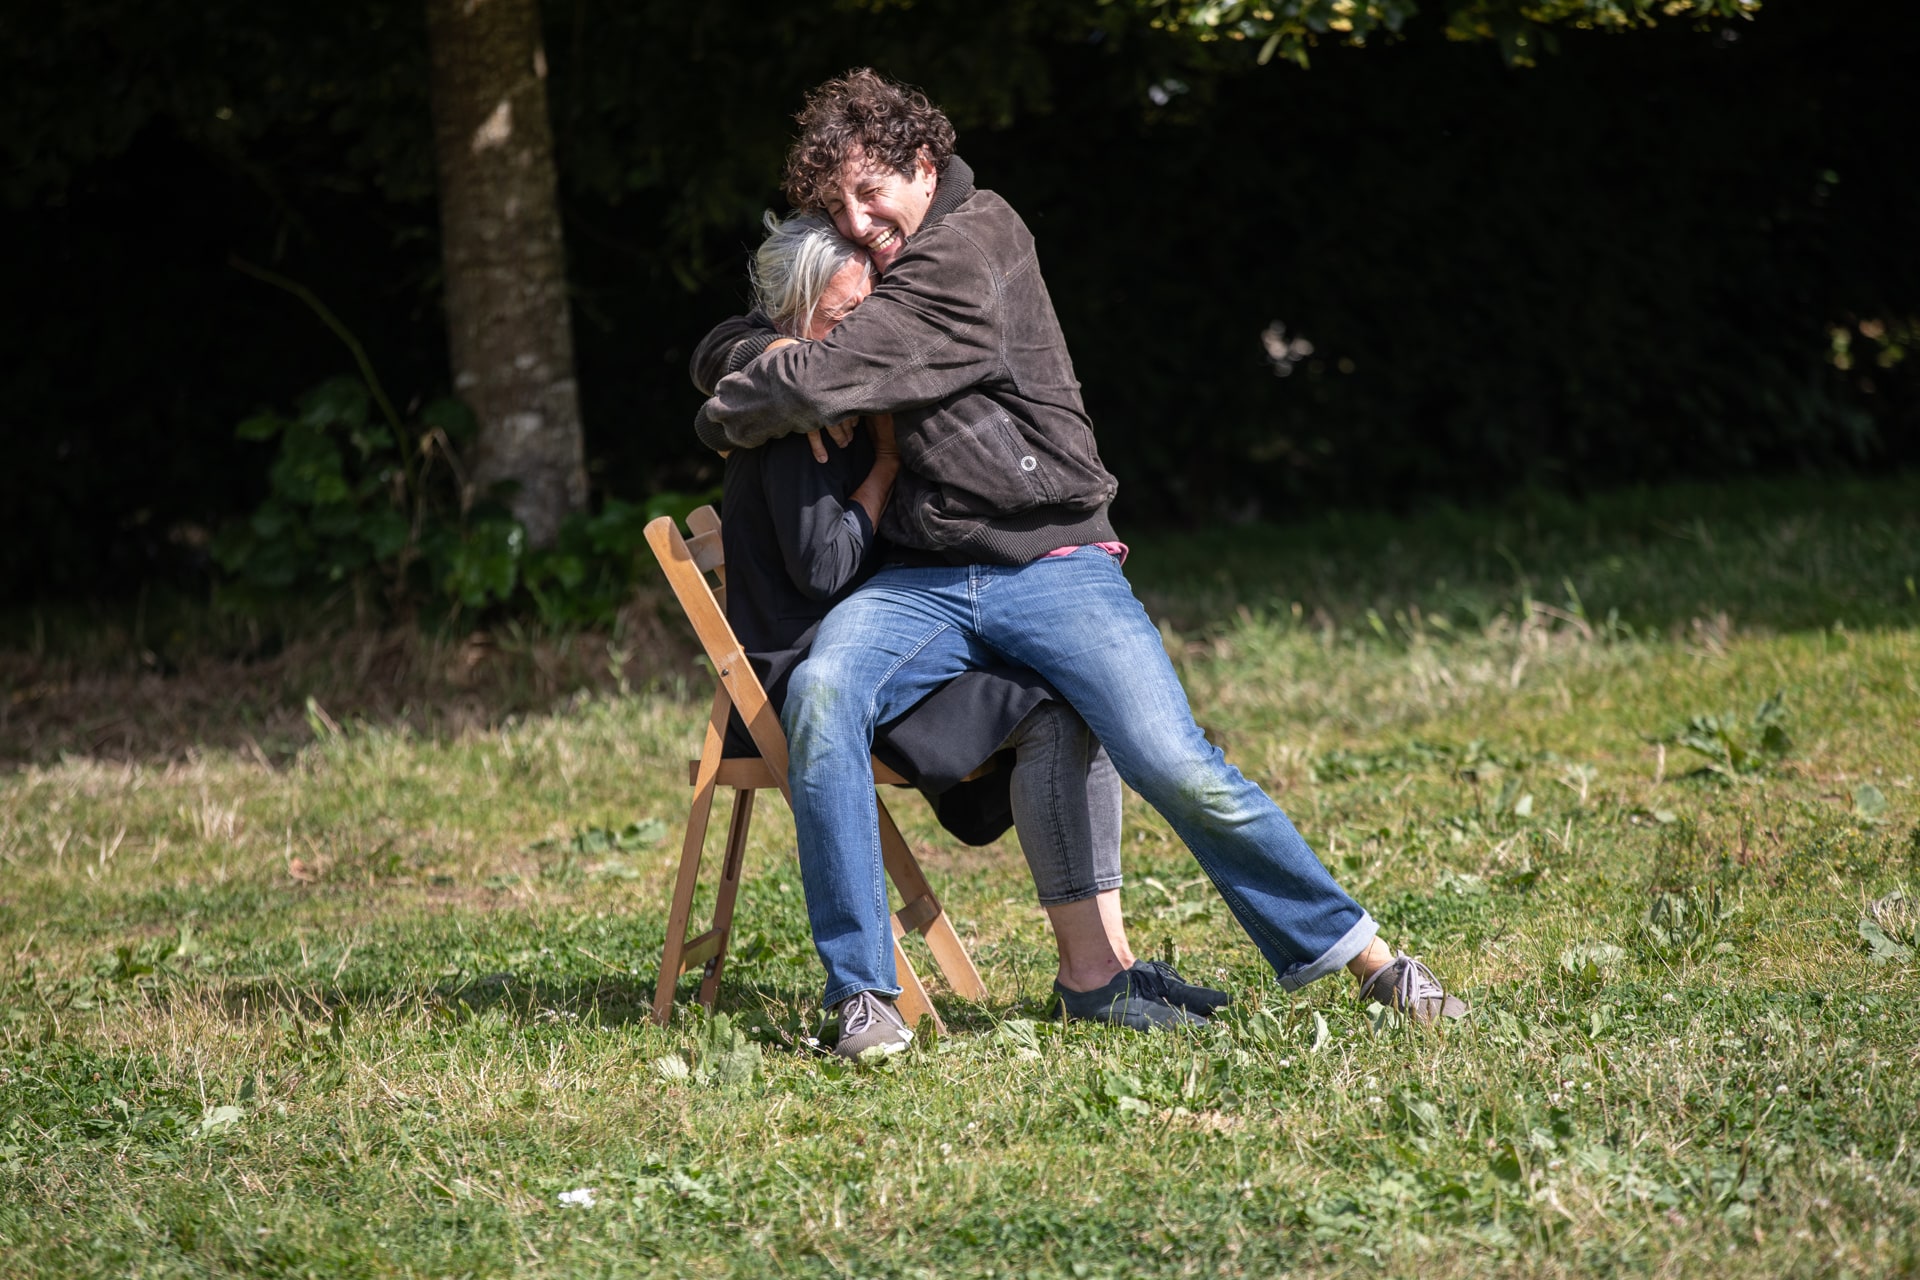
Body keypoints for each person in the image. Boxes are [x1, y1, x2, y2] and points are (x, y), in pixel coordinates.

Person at [694, 69, 1466, 1053]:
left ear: (924, 165)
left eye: (870, 195)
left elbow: (829, 367)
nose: (857, 222)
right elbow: (769, 324)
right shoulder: (878, 257)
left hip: (1052, 558)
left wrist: (724, 411)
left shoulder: (975, 245)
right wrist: (745, 354)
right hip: (921, 577)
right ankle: (863, 996)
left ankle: (1374, 962)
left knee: (1173, 757)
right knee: (823, 691)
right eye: (839, 208)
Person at [694, 211, 1229, 1057]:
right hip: (802, 663)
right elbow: (826, 569)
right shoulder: (797, 416)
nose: (858, 337)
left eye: (867, 313)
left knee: (1067, 695)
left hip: (864, 639)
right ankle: (866, 993)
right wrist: (885, 468)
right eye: (841, 319)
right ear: (794, 317)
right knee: (1044, 706)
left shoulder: (829, 381)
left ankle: (1105, 968)